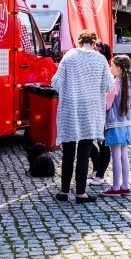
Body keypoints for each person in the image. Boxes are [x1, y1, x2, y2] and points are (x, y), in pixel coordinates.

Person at [52, 29, 113, 204]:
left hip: (70, 110)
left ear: (79, 42)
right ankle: (80, 193)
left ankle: (64, 191)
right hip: (91, 111)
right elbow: (109, 85)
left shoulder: (69, 56)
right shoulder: (100, 59)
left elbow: (56, 82)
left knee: (68, 153)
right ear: (94, 43)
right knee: (84, 153)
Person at [100, 55, 131, 197]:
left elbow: (107, 104)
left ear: (118, 68)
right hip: (126, 122)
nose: (110, 68)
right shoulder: (130, 81)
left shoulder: (115, 83)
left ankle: (116, 187)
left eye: (112, 66)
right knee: (124, 155)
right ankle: (125, 185)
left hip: (115, 122)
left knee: (115, 155)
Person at [88, 39, 114, 185]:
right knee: (86, 140)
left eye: (97, 51)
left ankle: (101, 174)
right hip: (92, 108)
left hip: (103, 110)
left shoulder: (108, 68)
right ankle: (97, 168)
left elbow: (109, 90)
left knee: (103, 142)